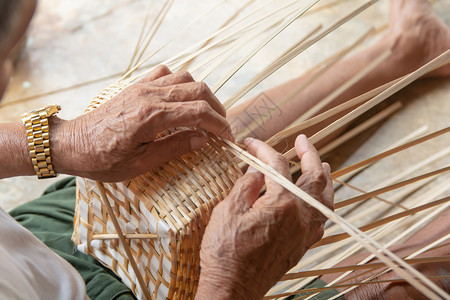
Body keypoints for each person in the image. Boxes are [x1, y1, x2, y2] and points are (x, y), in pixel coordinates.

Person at [0, 0, 448, 300]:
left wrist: (58, 142)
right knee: (383, 289)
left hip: (44, 242)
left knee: (187, 147)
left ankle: (407, 47)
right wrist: (229, 282)